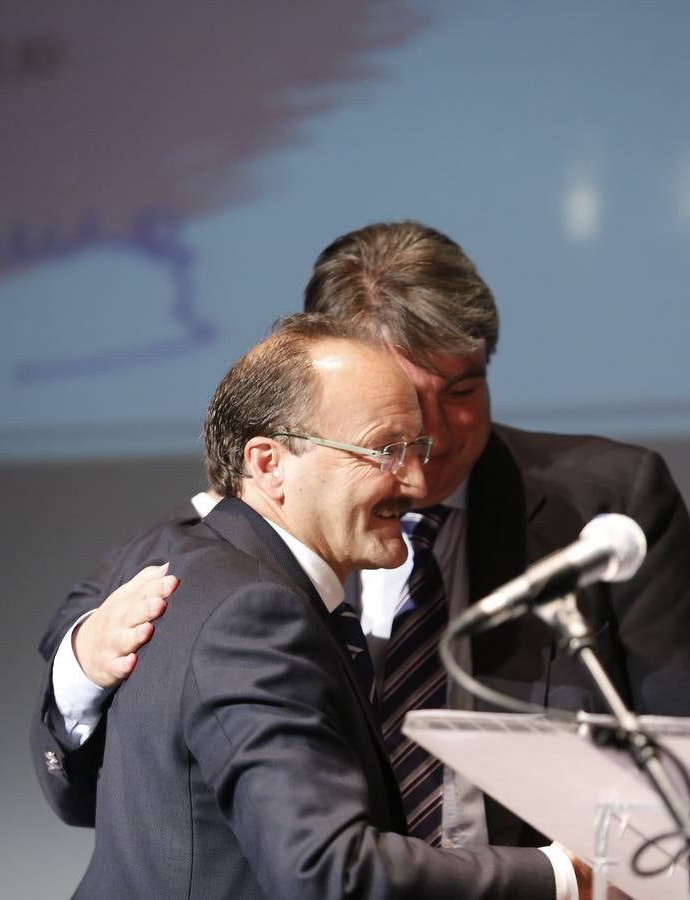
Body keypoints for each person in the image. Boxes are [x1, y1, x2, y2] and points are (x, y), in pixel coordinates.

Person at [32, 221, 690, 845]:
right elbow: (83, 784)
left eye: (463, 391)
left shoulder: (606, 505)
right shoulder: (223, 541)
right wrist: (81, 668)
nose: (436, 437)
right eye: (401, 406)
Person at [75, 313, 569, 897]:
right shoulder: (253, 614)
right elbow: (328, 870)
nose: (415, 482)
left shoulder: (201, 563)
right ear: (268, 464)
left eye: (417, 448)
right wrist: (562, 876)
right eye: (385, 451)